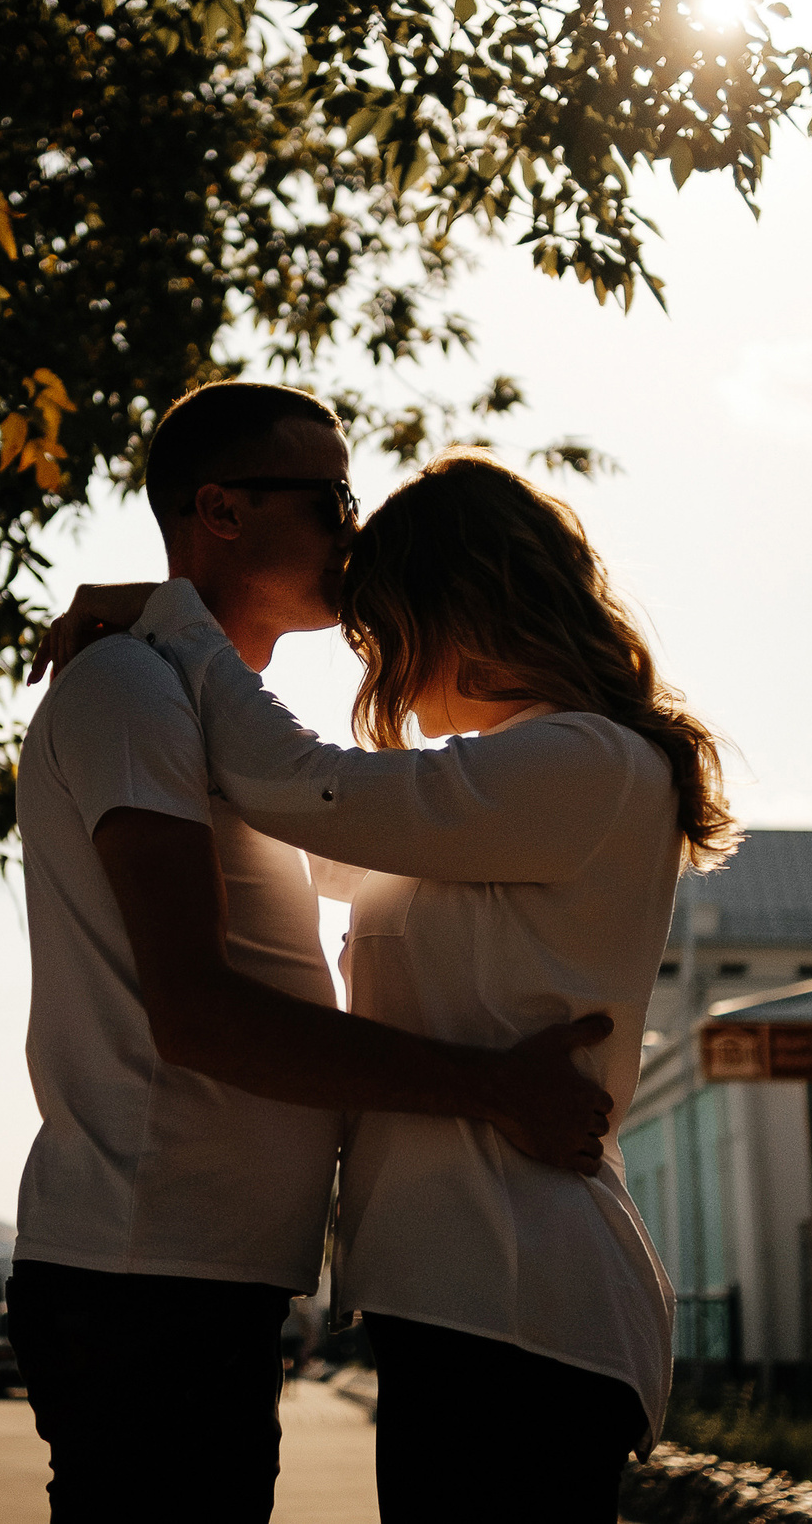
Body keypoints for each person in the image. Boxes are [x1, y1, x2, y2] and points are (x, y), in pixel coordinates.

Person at [51, 448, 737, 1523]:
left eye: (381, 626)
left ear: (457, 602)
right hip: (457, 1294)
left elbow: (305, 788)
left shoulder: (585, 763)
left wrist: (175, 620)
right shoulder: (497, 789)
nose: (374, 660)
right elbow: (306, 835)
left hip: (520, 1295)